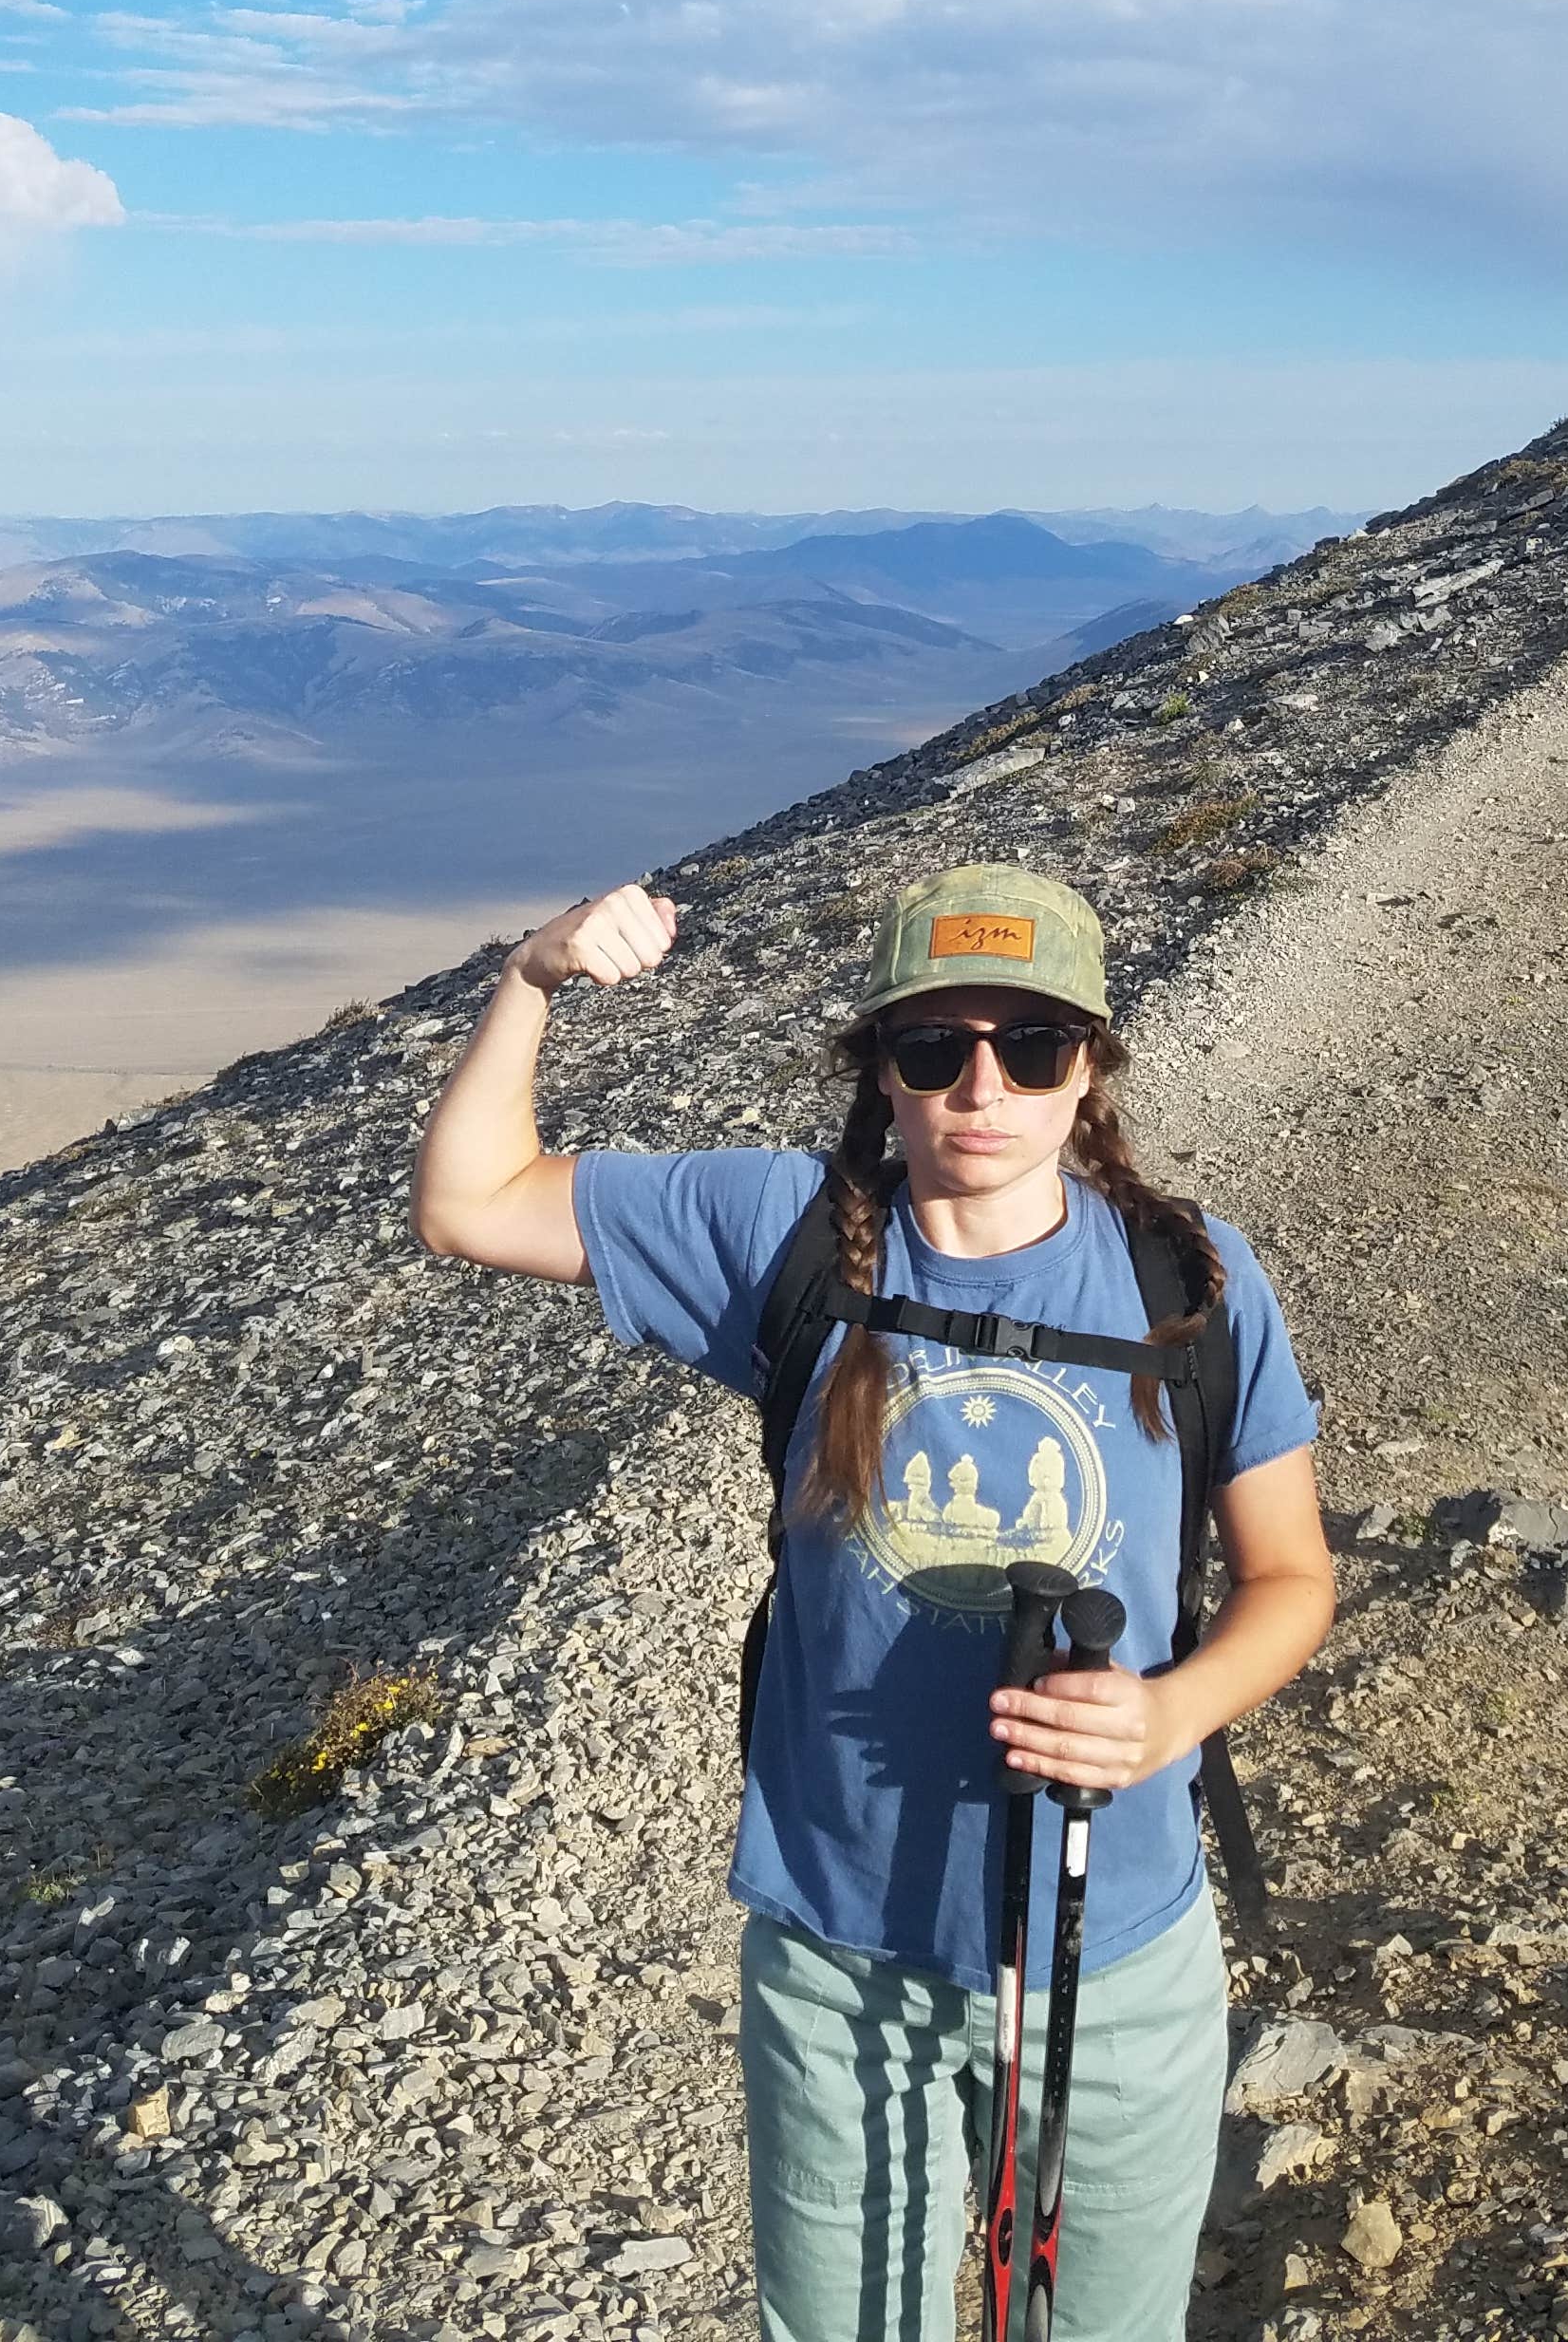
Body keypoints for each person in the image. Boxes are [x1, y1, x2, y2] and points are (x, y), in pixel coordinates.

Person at [413, 858, 1335, 2342]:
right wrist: (529, 980)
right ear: (881, 1073)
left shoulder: (1195, 1282)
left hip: (1118, 1951)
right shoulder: (778, 1228)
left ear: (1087, 1068)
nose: (984, 1086)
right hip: (843, 1952)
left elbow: (1292, 1580)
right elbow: (469, 1203)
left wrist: (1169, 1713)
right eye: (934, 1049)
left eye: (1030, 1047)